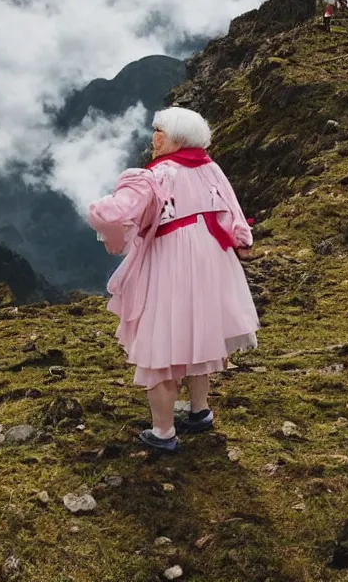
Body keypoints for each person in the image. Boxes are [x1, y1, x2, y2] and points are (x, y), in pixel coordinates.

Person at [87, 106, 260, 452]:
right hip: (213, 258)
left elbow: (117, 215)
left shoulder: (155, 176)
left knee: (162, 340)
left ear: (177, 137)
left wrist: (97, 210)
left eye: (160, 131)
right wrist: (241, 241)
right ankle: (200, 412)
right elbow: (232, 210)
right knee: (201, 331)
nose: (154, 138)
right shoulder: (210, 168)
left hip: (171, 258)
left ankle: (163, 432)